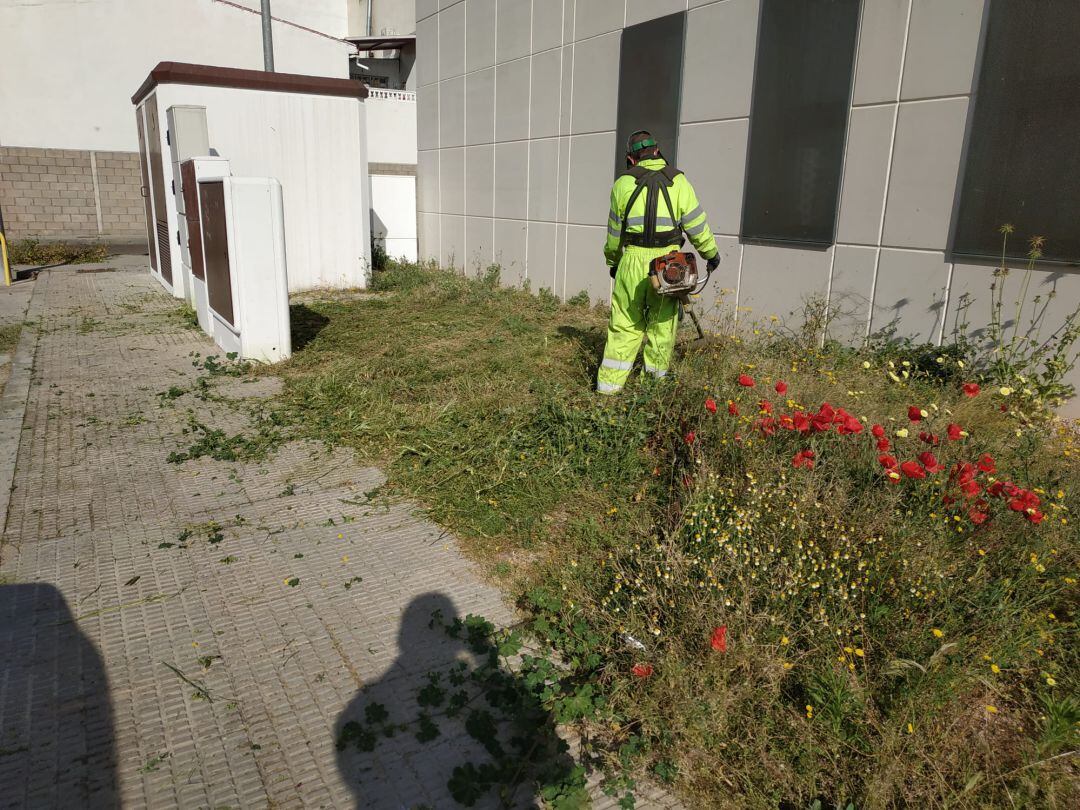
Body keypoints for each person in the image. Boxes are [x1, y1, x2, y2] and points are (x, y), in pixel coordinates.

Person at [597, 130, 720, 394]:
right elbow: (697, 225)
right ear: (657, 151)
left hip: (631, 262)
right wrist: (711, 254)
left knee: (624, 325)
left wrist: (613, 261)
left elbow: (613, 235)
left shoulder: (622, 184)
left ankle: (607, 391)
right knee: (662, 327)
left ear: (631, 159)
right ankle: (651, 392)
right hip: (668, 266)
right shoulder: (679, 182)